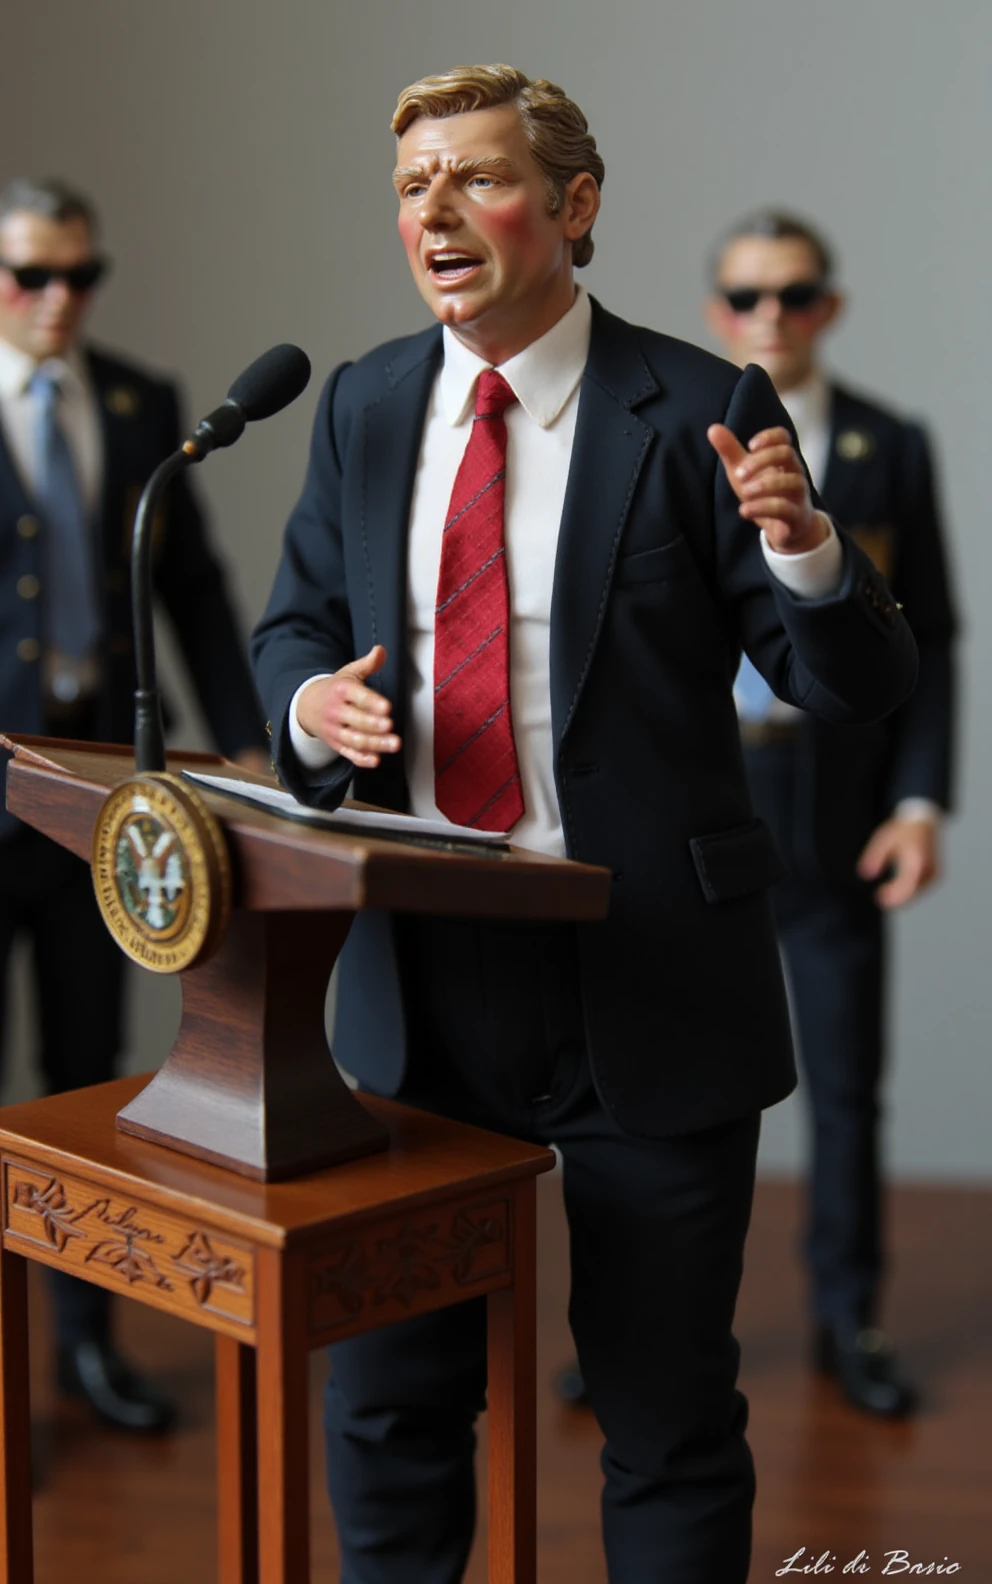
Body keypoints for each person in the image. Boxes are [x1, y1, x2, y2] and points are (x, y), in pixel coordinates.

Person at [251, 66, 916, 1584]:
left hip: (649, 978)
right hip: (415, 992)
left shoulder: (696, 409)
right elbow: (291, 622)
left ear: (573, 205)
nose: (435, 213)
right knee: (391, 1410)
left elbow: (855, 684)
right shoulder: (360, 404)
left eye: (475, 178)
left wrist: (810, 552)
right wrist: (308, 716)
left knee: (666, 1417)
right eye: (412, 185)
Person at [0, 177, 269, 1434]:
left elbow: (197, 591)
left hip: (94, 800)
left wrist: (251, 750)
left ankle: (84, 1344)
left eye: (77, 275)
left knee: (83, 1075)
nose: (57, 299)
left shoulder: (138, 401)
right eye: (28, 276)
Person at [701, 210, 958, 1417]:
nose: (770, 320)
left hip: (839, 800)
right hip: (708, 799)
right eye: (747, 298)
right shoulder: (675, 436)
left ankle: (844, 1315)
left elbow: (932, 637)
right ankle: (652, 1329)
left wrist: (918, 802)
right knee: (679, 1079)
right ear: (718, 312)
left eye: (793, 297)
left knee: (845, 1083)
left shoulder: (885, 446)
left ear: (828, 308)